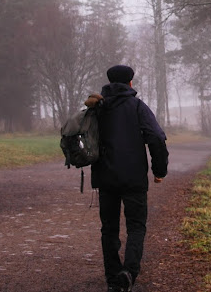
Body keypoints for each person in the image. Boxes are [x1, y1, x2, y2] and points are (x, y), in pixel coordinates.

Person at [85, 65, 169, 292]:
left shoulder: (98, 108)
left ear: (109, 83)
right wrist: (159, 170)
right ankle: (128, 273)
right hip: (134, 180)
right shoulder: (137, 106)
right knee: (136, 227)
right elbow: (156, 137)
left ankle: (113, 279)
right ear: (130, 84)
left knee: (109, 229)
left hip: (106, 179)